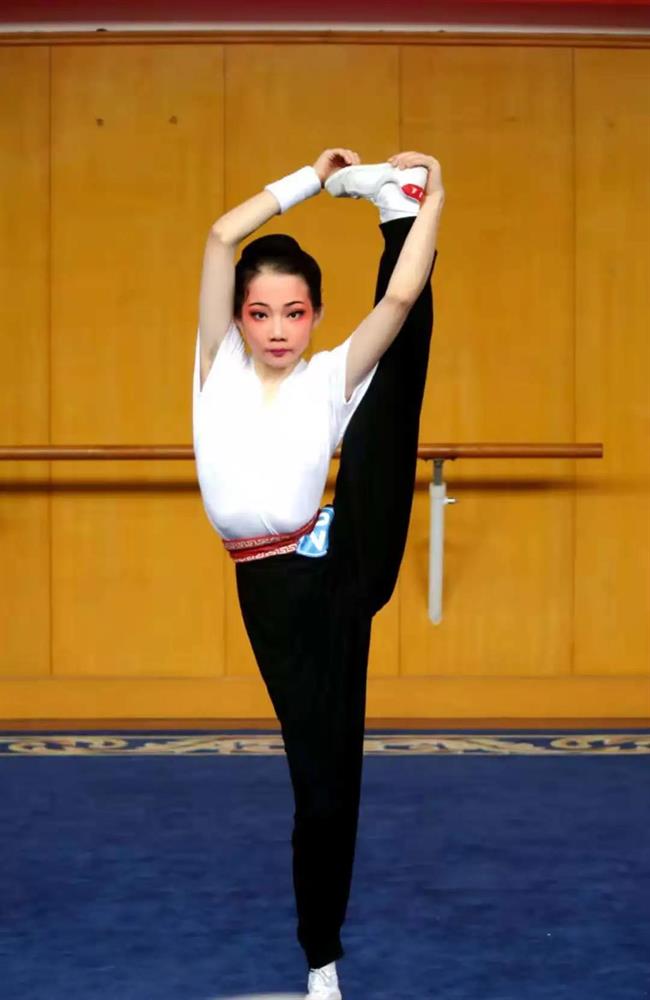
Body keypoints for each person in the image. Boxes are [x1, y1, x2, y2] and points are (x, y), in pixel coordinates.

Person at [192, 148, 444, 1000]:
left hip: (336, 570)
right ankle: (322, 947)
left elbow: (398, 302)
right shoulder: (217, 365)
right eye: (260, 313)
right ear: (237, 318)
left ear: (315, 317)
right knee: (321, 789)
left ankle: (396, 205)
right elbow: (222, 236)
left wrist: (429, 206)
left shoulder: (326, 377)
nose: (276, 329)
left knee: (394, 373)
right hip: (273, 585)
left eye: (295, 313)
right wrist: (311, 178)